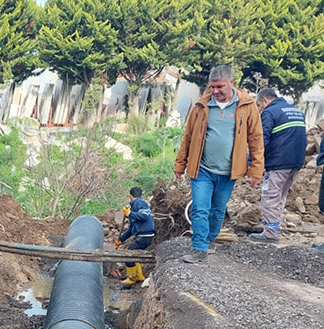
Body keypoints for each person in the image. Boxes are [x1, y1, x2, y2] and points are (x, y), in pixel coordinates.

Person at [174, 65, 264, 263]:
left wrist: (256, 169)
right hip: (202, 169)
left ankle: (211, 238)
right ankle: (199, 248)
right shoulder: (201, 106)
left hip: (228, 172)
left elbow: (256, 139)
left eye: (219, 87)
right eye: (212, 87)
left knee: (217, 210)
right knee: (200, 207)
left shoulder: (247, 107)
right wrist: (180, 164)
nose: (215, 91)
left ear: (231, 83)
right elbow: (187, 137)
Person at [248, 88, 307, 244]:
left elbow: (262, 141)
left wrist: (252, 162)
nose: (260, 109)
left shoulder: (270, 113)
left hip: (278, 162)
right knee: (281, 196)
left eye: (259, 105)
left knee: (270, 196)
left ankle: (271, 233)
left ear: (264, 100)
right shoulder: (296, 111)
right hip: (295, 162)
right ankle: (274, 228)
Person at [114, 186, 154, 286]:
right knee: (134, 254)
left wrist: (130, 213)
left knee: (128, 255)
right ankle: (139, 276)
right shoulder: (136, 206)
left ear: (130, 196)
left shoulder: (139, 203)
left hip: (145, 235)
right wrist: (120, 239)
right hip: (143, 235)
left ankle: (131, 278)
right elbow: (131, 229)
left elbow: (145, 216)